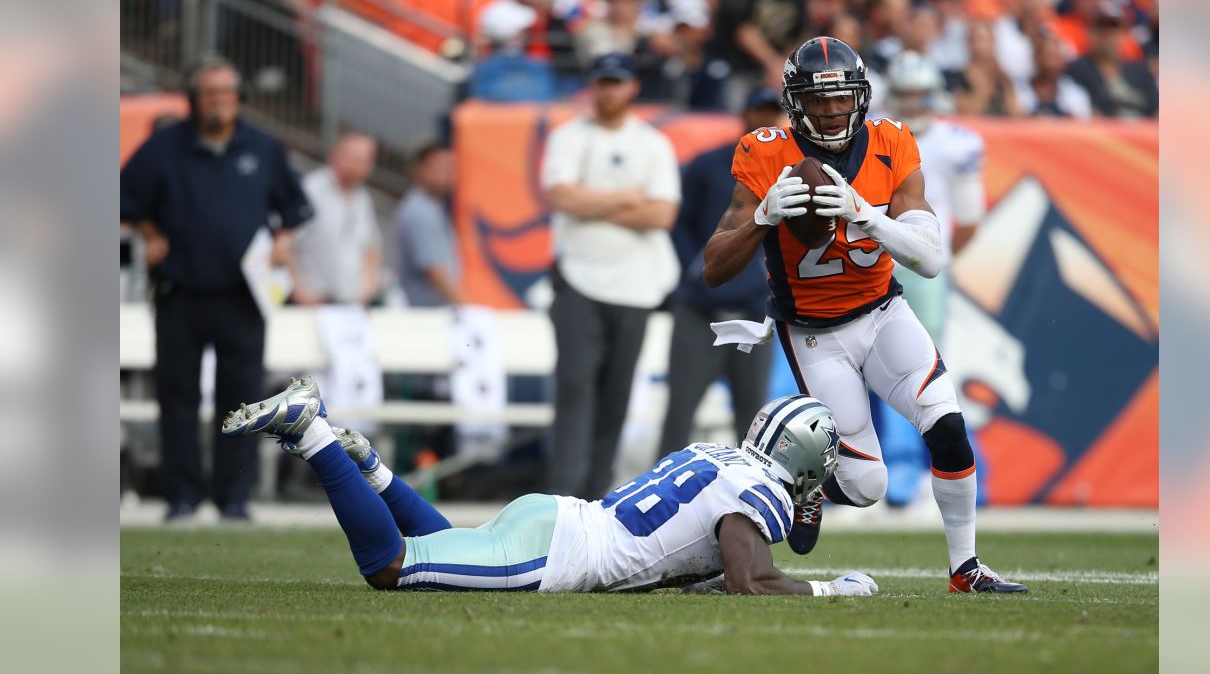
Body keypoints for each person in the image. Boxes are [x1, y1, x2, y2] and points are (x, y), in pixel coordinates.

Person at [700, 36, 1026, 593]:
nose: (831, 111)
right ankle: (805, 482)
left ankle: (966, 569)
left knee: (947, 425)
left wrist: (867, 216)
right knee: (867, 484)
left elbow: (928, 259)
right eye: (818, 100)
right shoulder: (763, 151)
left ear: (862, 95)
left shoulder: (892, 141)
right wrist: (761, 217)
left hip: (882, 312)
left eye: (841, 98)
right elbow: (713, 268)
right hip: (814, 335)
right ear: (795, 100)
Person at [222, 377, 877, 596]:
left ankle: (370, 469)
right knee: (391, 568)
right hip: (558, 555)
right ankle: (313, 434)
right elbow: (747, 581)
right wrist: (827, 589)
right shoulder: (759, 493)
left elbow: (702, 566)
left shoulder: (720, 454)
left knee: (449, 545)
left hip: (556, 518)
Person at [120, 54, 312, 521]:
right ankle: (181, 495)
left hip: (243, 296)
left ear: (239, 100)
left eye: (228, 94)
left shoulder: (263, 148)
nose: (220, 103)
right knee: (177, 396)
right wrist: (150, 234)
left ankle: (235, 496)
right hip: (180, 292)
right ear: (193, 100)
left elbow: (293, 206)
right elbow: (125, 195)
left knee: (242, 399)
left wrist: (283, 243)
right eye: (211, 94)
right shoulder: (165, 147)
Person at [541, 52, 681, 499]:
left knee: (615, 393)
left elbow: (661, 214)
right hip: (578, 279)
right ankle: (565, 492)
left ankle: (597, 493)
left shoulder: (652, 143)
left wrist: (592, 203)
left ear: (632, 87)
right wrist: (626, 198)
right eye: (602, 82)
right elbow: (562, 197)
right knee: (575, 386)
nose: (608, 92)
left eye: (616, 83)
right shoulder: (568, 136)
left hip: (636, 286)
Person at [873, 51, 987, 507]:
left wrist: (936, 261)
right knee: (869, 364)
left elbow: (972, 217)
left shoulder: (956, 142)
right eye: (905, 94)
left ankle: (920, 467)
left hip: (921, 265)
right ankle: (878, 467)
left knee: (923, 366)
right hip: (875, 257)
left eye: (918, 93)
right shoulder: (876, 134)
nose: (912, 103)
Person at [659, 88, 780, 457]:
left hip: (753, 308)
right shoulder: (709, 163)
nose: (762, 118)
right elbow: (679, 224)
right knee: (680, 409)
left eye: (769, 112)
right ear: (743, 113)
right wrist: (693, 272)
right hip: (700, 308)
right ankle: (660, 495)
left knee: (753, 418)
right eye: (756, 110)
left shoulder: (788, 170)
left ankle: (754, 498)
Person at [706, 0, 813, 111]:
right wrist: (773, 64)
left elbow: (805, 26)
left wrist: (784, 65)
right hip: (739, 66)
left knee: (785, 123)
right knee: (735, 122)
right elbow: (737, 24)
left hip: (780, 67)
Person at [291, 133, 382, 306]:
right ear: (335, 155)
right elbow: (286, 246)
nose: (362, 165)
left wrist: (368, 289)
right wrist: (298, 291)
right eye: (356, 158)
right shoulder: (311, 191)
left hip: (353, 305)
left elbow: (372, 246)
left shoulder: (362, 198)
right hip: (313, 306)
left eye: (367, 160)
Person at [1065, 1, 1158, 118]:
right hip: (1102, 134)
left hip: (1142, 133)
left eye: (1113, 28)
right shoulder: (1077, 70)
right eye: (1101, 28)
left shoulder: (1140, 71)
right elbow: (1087, 113)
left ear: (1122, 34)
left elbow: (1156, 112)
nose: (1108, 36)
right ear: (1089, 33)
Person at [395, 143, 462, 307]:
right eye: (441, 166)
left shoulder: (433, 208)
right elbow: (433, 270)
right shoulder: (418, 211)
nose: (448, 173)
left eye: (451, 167)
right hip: (426, 313)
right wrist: (466, 306)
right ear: (420, 169)